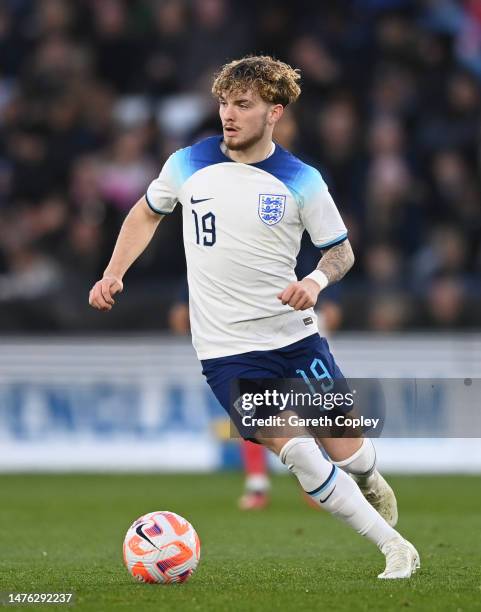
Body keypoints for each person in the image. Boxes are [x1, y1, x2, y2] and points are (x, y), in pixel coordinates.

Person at [89, 55, 419, 579]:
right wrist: (114, 272)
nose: (229, 114)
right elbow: (146, 212)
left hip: (294, 341)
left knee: (347, 449)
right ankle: (395, 547)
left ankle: (369, 475)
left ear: (274, 112)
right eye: (224, 102)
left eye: (243, 104)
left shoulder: (301, 179)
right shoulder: (187, 163)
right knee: (299, 452)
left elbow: (340, 251)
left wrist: (314, 282)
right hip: (225, 353)